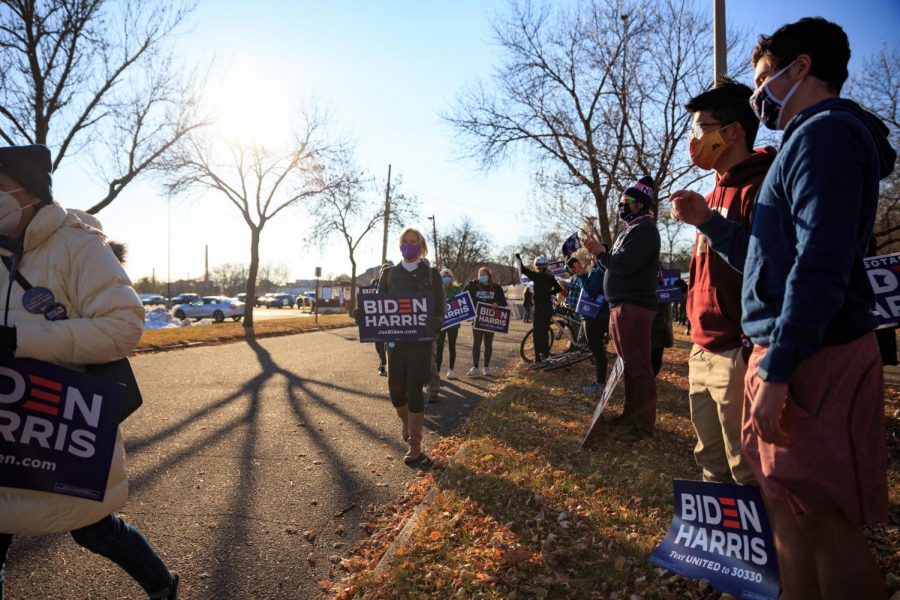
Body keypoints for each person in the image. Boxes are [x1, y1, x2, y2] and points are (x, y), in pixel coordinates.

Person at [673, 18, 895, 599]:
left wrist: (776, 366)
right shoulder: (806, 140)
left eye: (764, 78)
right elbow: (771, 256)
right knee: (792, 520)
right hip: (781, 349)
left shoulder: (826, 136)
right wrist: (710, 226)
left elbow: (820, 262)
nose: (757, 96)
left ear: (801, 69)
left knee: (825, 523)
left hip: (809, 358)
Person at [0, 145, 179, 599]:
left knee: (93, 530)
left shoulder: (79, 245)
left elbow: (123, 327)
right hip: (6, 425)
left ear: (30, 192)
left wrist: (21, 342)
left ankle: (163, 587)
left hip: (64, 422)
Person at [671, 78, 776, 487]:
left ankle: (764, 549)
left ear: (732, 132)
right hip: (702, 347)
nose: (694, 139)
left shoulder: (761, 185)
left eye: (701, 128)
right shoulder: (713, 191)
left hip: (738, 351)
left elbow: (765, 263)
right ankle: (722, 550)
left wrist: (710, 223)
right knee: (711, 464)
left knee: (747, 469)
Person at [583, 175, 661, 443]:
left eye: (625, 201)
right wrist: (602, 254)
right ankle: (630, 415)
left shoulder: (645, 230)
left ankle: (643, 425)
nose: (620, 206)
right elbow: (613, 264)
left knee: (639, 367)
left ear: (640, 204)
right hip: (620, 307)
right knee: (628, 366)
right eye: (619, 202)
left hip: (634, 308)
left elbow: (625, 265)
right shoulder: (628, 230)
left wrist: (599, 253)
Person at [377, 227, 444, 464]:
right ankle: (405, 419)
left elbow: (440, 308)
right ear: (400, 245)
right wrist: (363, 314)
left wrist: (435, 321)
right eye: (405, 241)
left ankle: (415, 444)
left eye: (413, 241)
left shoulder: (431, 274)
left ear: (421, 245)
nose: (409, 245)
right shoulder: (389, 275)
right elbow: (379, 306)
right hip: (395, 343)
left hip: (420, 343)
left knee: (414, 389)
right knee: (396, 389)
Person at [573, 252, 611, 394]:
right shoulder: (596, 269)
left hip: (596, 316)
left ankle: (600, 383)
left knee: (597, 350)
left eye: (593, 255)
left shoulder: (599, 270)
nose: (590, 258)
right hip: (593, 315)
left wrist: (582, 276)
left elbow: (591, 291)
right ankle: (600, 381)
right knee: (597, 350)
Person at [516, 255, 561, 362]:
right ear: (546, 265)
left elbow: (523, 269)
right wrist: (548, 293)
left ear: (536, 266)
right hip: (548, 307)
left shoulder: (536, 276)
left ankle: (538, 359)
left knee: (537, 333)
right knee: (545, 332)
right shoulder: (551, 277)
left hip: (539, 308)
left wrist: (518, 258)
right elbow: (558, 288)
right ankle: (545, 355)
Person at [463, 266, 507, 377]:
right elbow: (463, 295)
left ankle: (486, 367)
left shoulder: (496, 288)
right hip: (477, 319)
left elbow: (503, 302)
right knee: (476, 343)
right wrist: (470, 284)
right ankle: (475, 367)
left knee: (488, 343)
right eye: (480, 274)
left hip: (490, 320)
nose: (482, 276)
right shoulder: (474, 286)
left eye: (485, 274)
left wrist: (497, 303)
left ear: (489, 276)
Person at [436, 268, 462, 380]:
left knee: (452, 346)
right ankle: (436, 372)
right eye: (444, 276)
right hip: (441, 323)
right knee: (439, 348)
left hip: (453, 324)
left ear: (451, 278)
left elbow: (461, 303)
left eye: (448, 276)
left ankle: (451, 370)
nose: (446, 278)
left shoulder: (457, 289)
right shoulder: (437, 290)